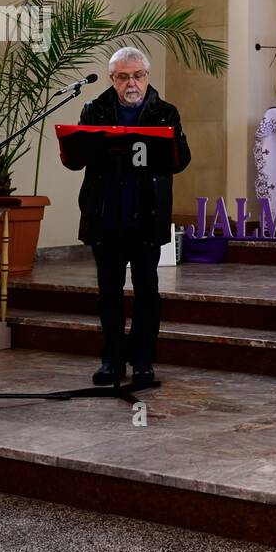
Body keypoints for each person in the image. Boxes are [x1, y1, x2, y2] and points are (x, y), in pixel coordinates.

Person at [62, 47, 190, 386]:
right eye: (123, 77)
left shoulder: (165, 112)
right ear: (112, 79)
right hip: (106, 214)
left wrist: (166, 143)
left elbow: (180, 161)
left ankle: (143, 360)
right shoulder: (94, 110)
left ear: (147, 77)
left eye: (137, 75)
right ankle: (112, 361)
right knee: (109, 293)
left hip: (146, 215)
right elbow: (76, 161)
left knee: (147, 291)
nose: (130, 83)